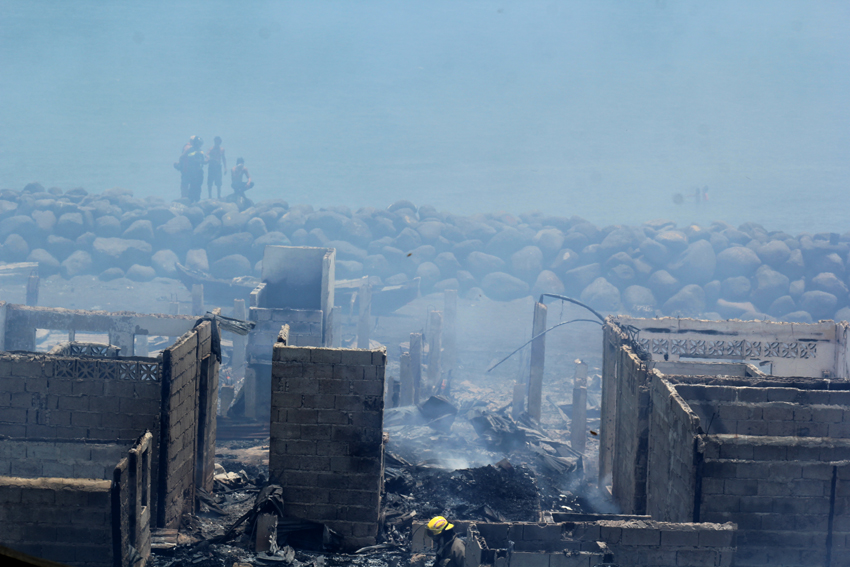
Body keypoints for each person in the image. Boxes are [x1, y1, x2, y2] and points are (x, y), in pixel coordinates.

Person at [184, 136, 207, 203]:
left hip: (199, 171)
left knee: (199, 186)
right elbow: (191, 159)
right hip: (192, 171)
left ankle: (197, 199)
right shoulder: (191, 150)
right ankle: (191, 199)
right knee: (192, 186)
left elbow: (203, 160)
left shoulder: (201, 151)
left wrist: (206, 160)